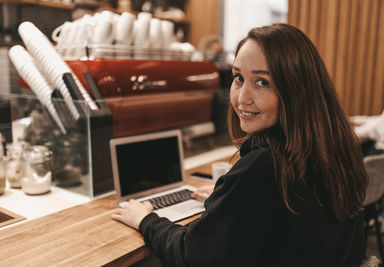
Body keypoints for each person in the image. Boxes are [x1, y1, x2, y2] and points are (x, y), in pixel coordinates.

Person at [112, 23, 368, 267]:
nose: (242, 98)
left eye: (262, 82)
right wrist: (229, 202)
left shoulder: (265, 166)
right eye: (238, 78)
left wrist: (146, 220)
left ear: (297, 90)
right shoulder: (337, 151)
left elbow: (191, 257)